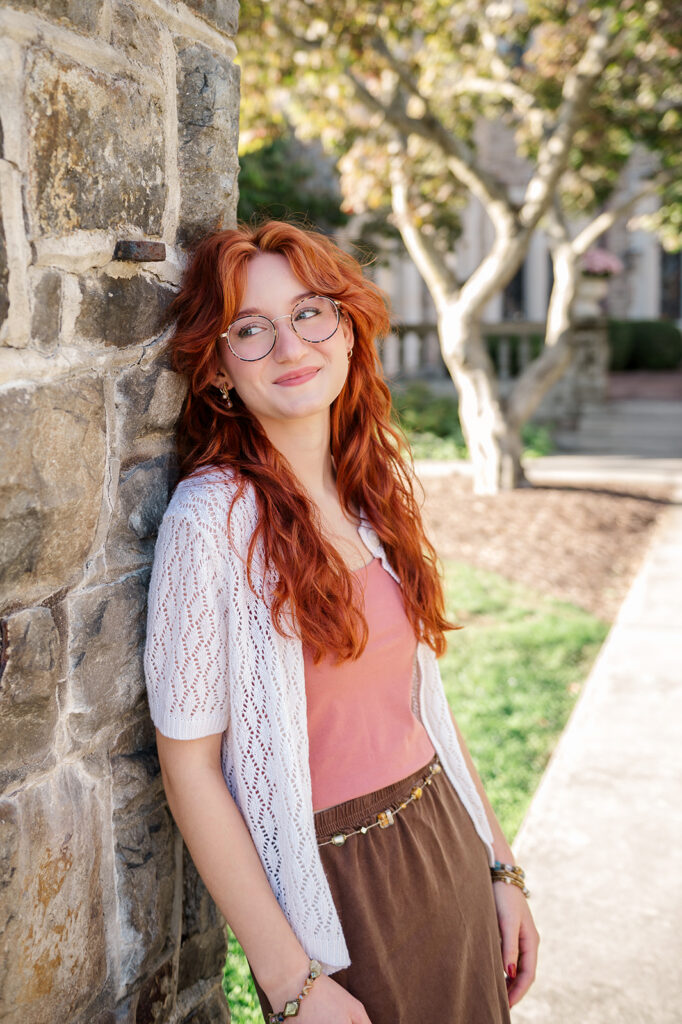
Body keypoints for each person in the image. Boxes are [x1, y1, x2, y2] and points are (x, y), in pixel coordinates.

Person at [143, 219, 539, 1024]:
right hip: (341, 888)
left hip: (445, 840)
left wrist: (501, 869)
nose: (289, 347)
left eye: (310, 314)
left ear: (348, 331)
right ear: (219, 372)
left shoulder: (369, 495)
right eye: (249, 331)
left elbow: (426, 708)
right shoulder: (211, 518)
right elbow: (191, 770)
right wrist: (292, 981)